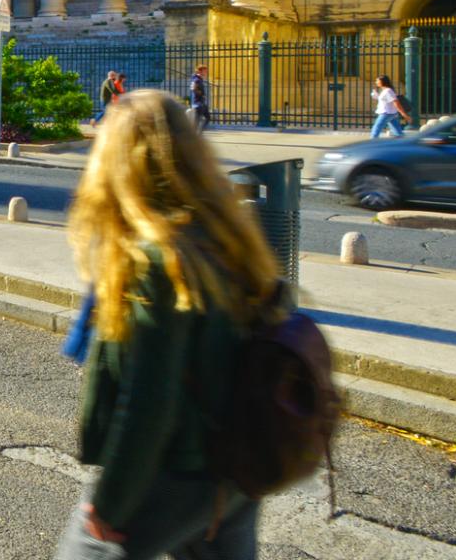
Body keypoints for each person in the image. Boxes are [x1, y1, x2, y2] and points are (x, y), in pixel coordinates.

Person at [54, 89, 279, 560]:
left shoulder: (155, 260)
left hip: (172, 475)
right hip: (236, 469)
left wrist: (111, 504)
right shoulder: (228, 236)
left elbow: (148, 402)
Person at [188, 65, 211, 132]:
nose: (206, 73)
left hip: (201, 103)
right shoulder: (196, 79)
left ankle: (198, 133)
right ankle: (196, 133)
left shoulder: (199, 79)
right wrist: (200, 93)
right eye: (205, 71)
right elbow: (193, 88)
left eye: (206, 71)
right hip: (198, 104)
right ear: (200, 71)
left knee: (207, 118)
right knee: (197, 121)